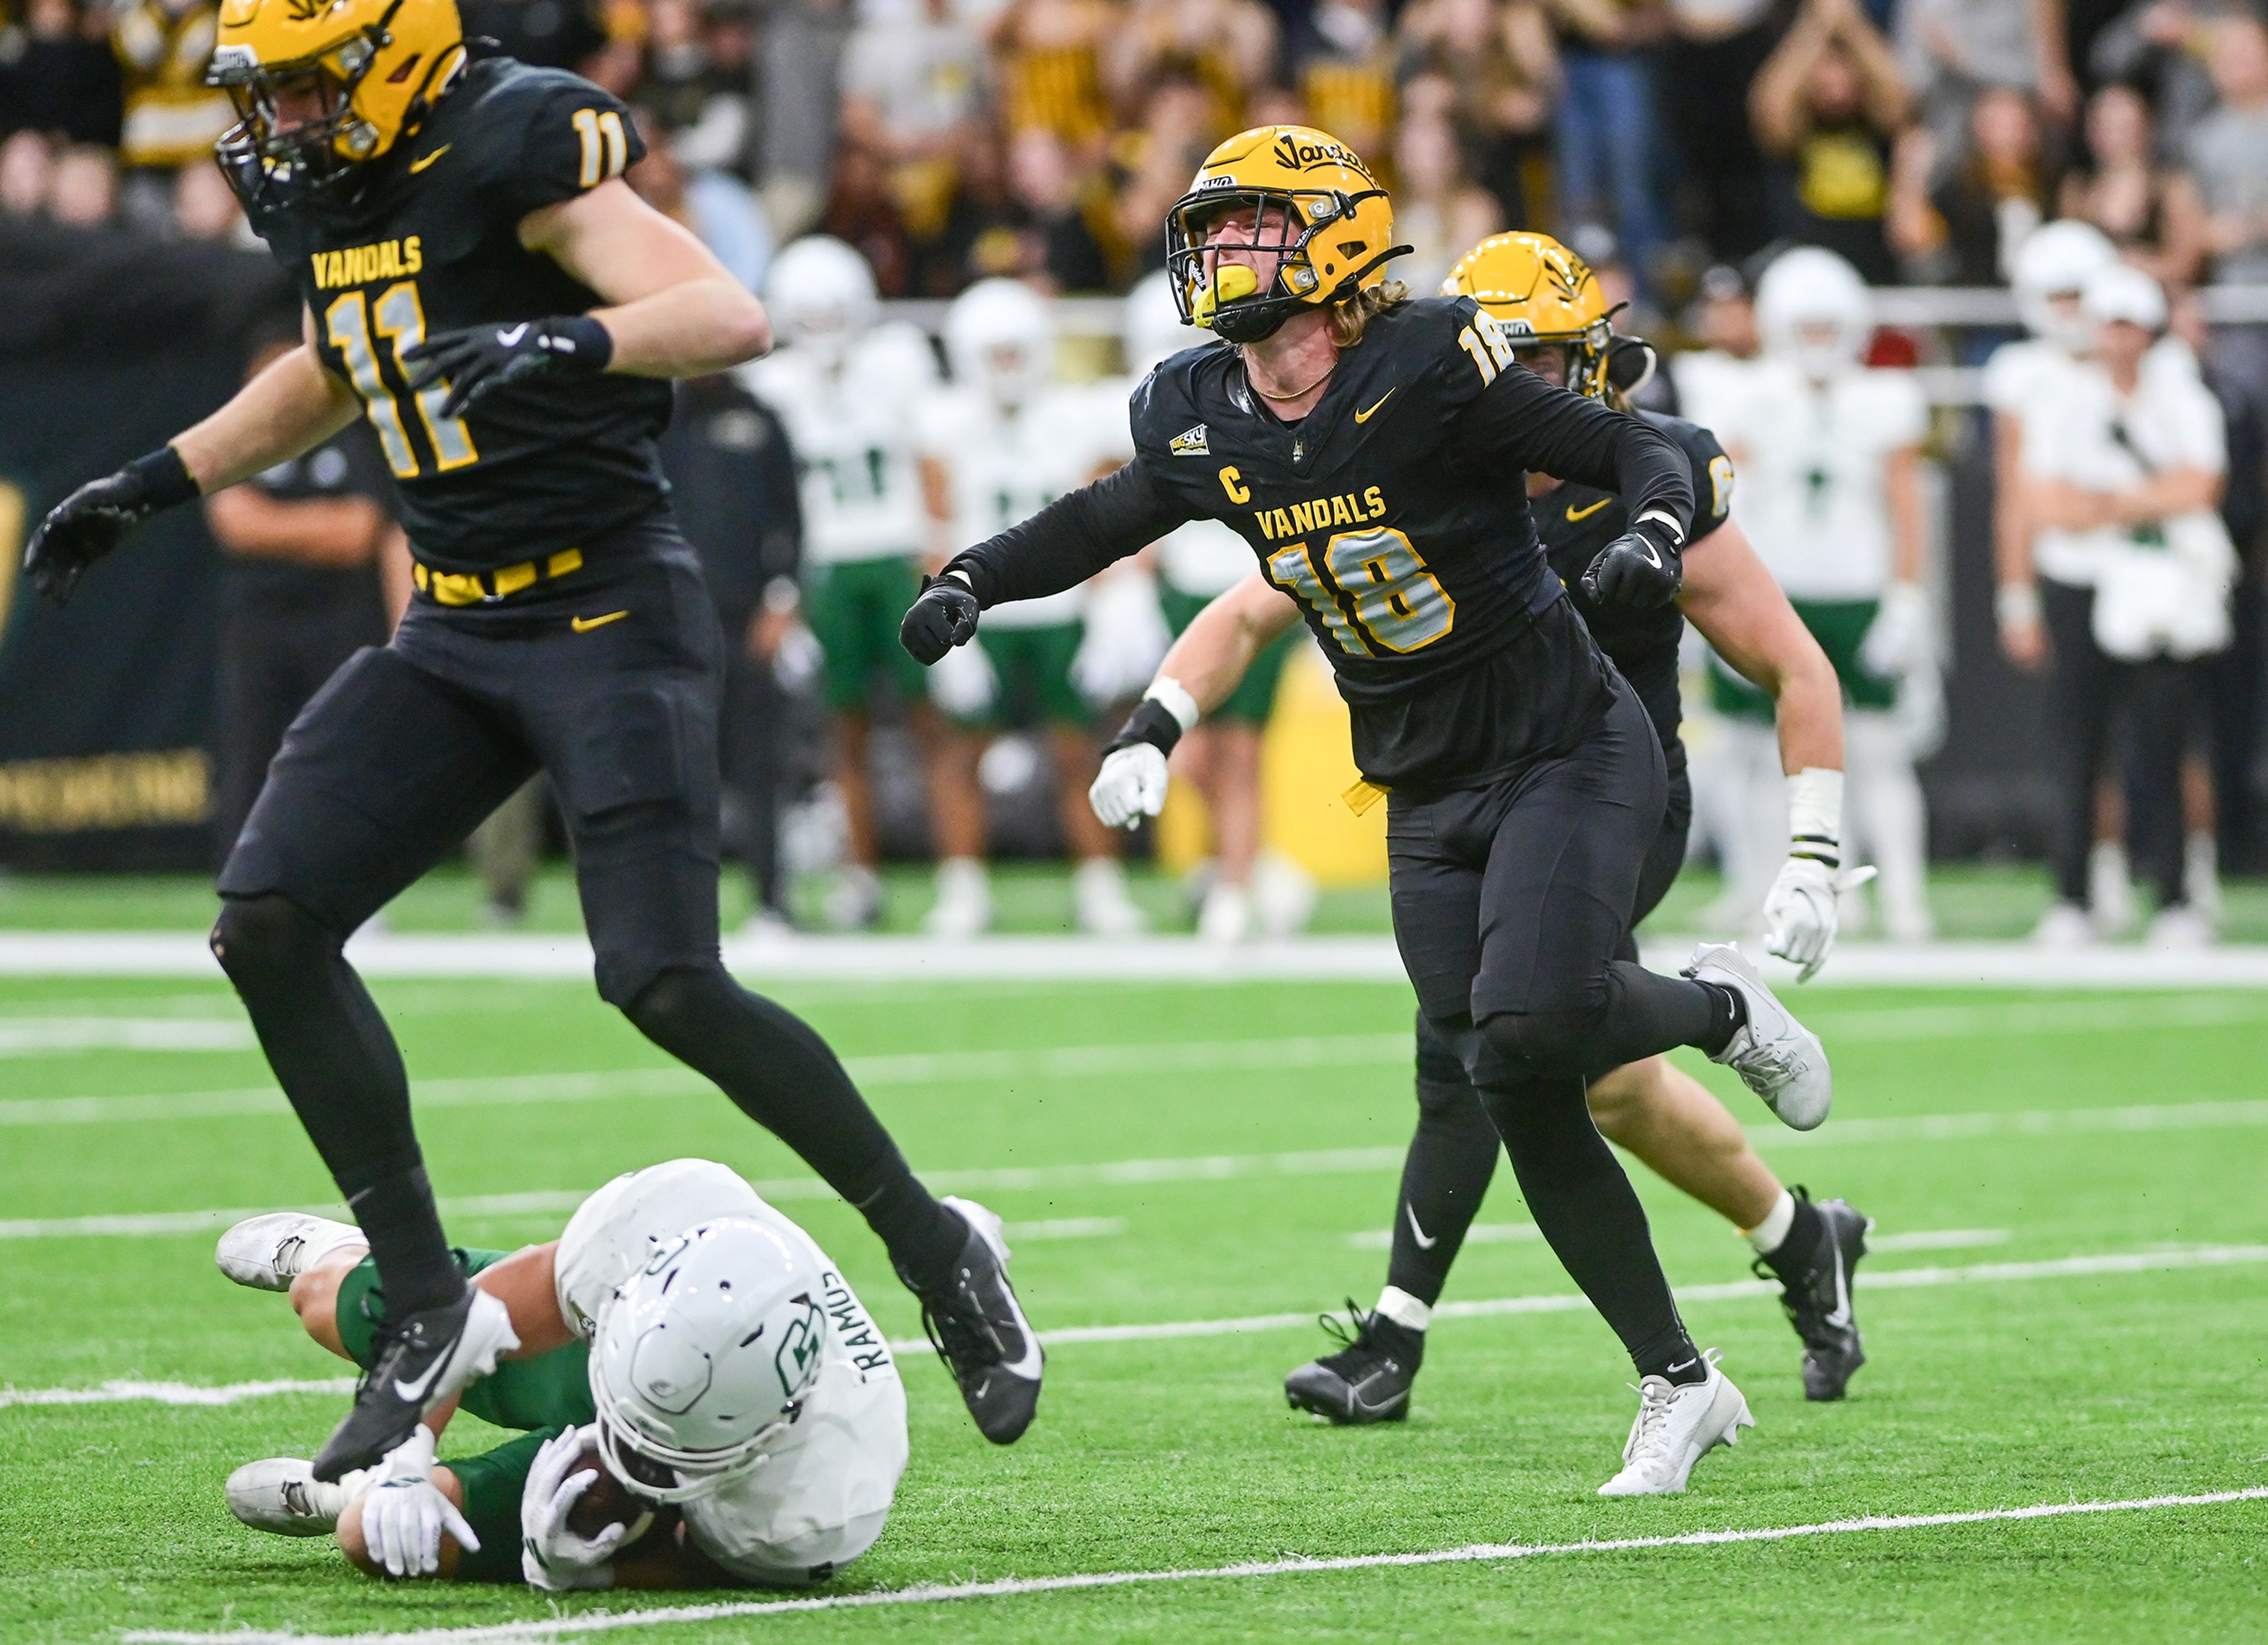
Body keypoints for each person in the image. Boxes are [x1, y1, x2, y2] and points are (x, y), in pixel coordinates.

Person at [22, 0, 1040, 1486]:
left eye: (311, 85)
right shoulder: (342, 187)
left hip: (603, 608)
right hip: (451, 623)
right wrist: (152, 478)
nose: (288, 119)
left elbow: (720, 313)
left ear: (396, 55)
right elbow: (334, 359)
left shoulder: (508, 133)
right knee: (267, 921)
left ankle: (932, 1239)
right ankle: (425, 1293)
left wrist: (570, 337)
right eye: (274, 92)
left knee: (664, 976)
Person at [904, 125, 1842, 1495]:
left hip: (1566, 744)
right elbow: (1102, 518)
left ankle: (1718, 1014)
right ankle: (1679, 1373)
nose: (1220, 254)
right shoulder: (1199, 406)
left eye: (1250, 229)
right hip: (1420, 779)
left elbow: (1636, 453)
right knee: (1503, 1069)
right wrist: (975, 577)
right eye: (1213, 231)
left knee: (1533, 1020)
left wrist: (1644, 539)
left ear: (1332, 241)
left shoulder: (1431, 365)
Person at [1248, 232, 1871, 1422]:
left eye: (1538, 361)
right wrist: (1163, 716)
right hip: (1478, 786)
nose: (1514, 388)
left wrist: (1813, 847)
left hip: (1611, 792)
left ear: (1594, 366)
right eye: (1495, 358)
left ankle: (1393, 1340)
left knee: (1485, 1043)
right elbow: (1250, 602)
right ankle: (1802, 1238)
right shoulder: (1415, 449)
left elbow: (1795, 666)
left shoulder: (1640, 473)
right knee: (1604, 1087)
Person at [215, 1159, 910, 1588]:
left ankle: (346, 1492)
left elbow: (693, 1561)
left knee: (370, 1535)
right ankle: (343, 1250)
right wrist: (406, 1451)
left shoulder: (817, 1507)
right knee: (325, 1298)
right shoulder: (671, 1214)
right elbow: (454, 1322)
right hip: (600, 1355)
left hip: (672, 1441)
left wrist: (587, 1567)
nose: (614, 1440)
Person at [1695, 247, 1935, 943]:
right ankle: (1778, 892)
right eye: (1806, 328)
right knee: (1767, 757)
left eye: (1830, 328)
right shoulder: (1744, 393)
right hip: (1777, 592)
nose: (1818, 344)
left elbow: (1906, 506)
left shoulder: (1884, 398)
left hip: (1859, 591)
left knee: (1881, 753)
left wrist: (1907, 598)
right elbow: (1720, 502)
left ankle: (1904, 898)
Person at [916, 276, 1151, 939]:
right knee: (960, 751)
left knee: (1082, 751)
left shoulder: (1077, 418)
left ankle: (1101, 886)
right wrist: (936, 604)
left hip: (1065, 607)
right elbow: (930, 528)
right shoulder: (945, 424)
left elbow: (1111, 522)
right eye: (995, 355)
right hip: (977, 611)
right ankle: (962, 886)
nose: (1008, 369)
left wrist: (1117, 608)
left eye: (1018, 353)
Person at [2024, 263, 2233, 946]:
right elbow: (2047, 504)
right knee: (2077, 747)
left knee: (2163, 743)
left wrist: (2106, 505)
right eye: (2108, 325)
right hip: (2080, 584)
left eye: (2129, 325)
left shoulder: (2181, 397)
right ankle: (2073, 898)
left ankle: (2173, 896)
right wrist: (2142, 500)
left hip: (2156, 586)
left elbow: (2202, 486)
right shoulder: (2062, 398)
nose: (2118, 340)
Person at [746, 234, 944, 931]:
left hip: (899, 560)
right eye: (812, 314)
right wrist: (781, 593)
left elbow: (930, 462)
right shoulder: (774, 384)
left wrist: (948, 559)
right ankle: (860, 876)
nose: (826, 329)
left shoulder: (898, 362)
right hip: (825, 567)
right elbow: (769, 501)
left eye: (837, 312)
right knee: (843, 733)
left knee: (934, 725)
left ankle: (958, 878)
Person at [1108, 270, 1312, 943]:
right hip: (1183, 580)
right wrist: (1134, 581)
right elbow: (1130, 500)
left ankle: (1234, 887)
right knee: (1192, 755)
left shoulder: (1247, 385)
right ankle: (1255, 869)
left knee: (1238, 751)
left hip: (1249, 577)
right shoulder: (1152, 399)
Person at [1984, 219, 2135, 943]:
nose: (2071, 309)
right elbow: (2016, 494)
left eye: (2082, 292)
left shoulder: (2142, 356)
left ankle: (2183, 877)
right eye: (2058, 294)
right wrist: (2016, 594)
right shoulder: (2023, 372)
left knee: (2164, 732)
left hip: (2150, 564)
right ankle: (2085, 881)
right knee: (2077, 735)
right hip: (2069, 566)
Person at [206, 325, 401, 864]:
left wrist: (274, 526)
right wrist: (314, 525)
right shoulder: (240, 439)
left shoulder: (353, 434)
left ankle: (349, 875)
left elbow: (360, 531)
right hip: (258, 620)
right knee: (250, 753)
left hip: (337, 618)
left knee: (341, 751)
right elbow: (231, 521)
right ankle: (243, 876)